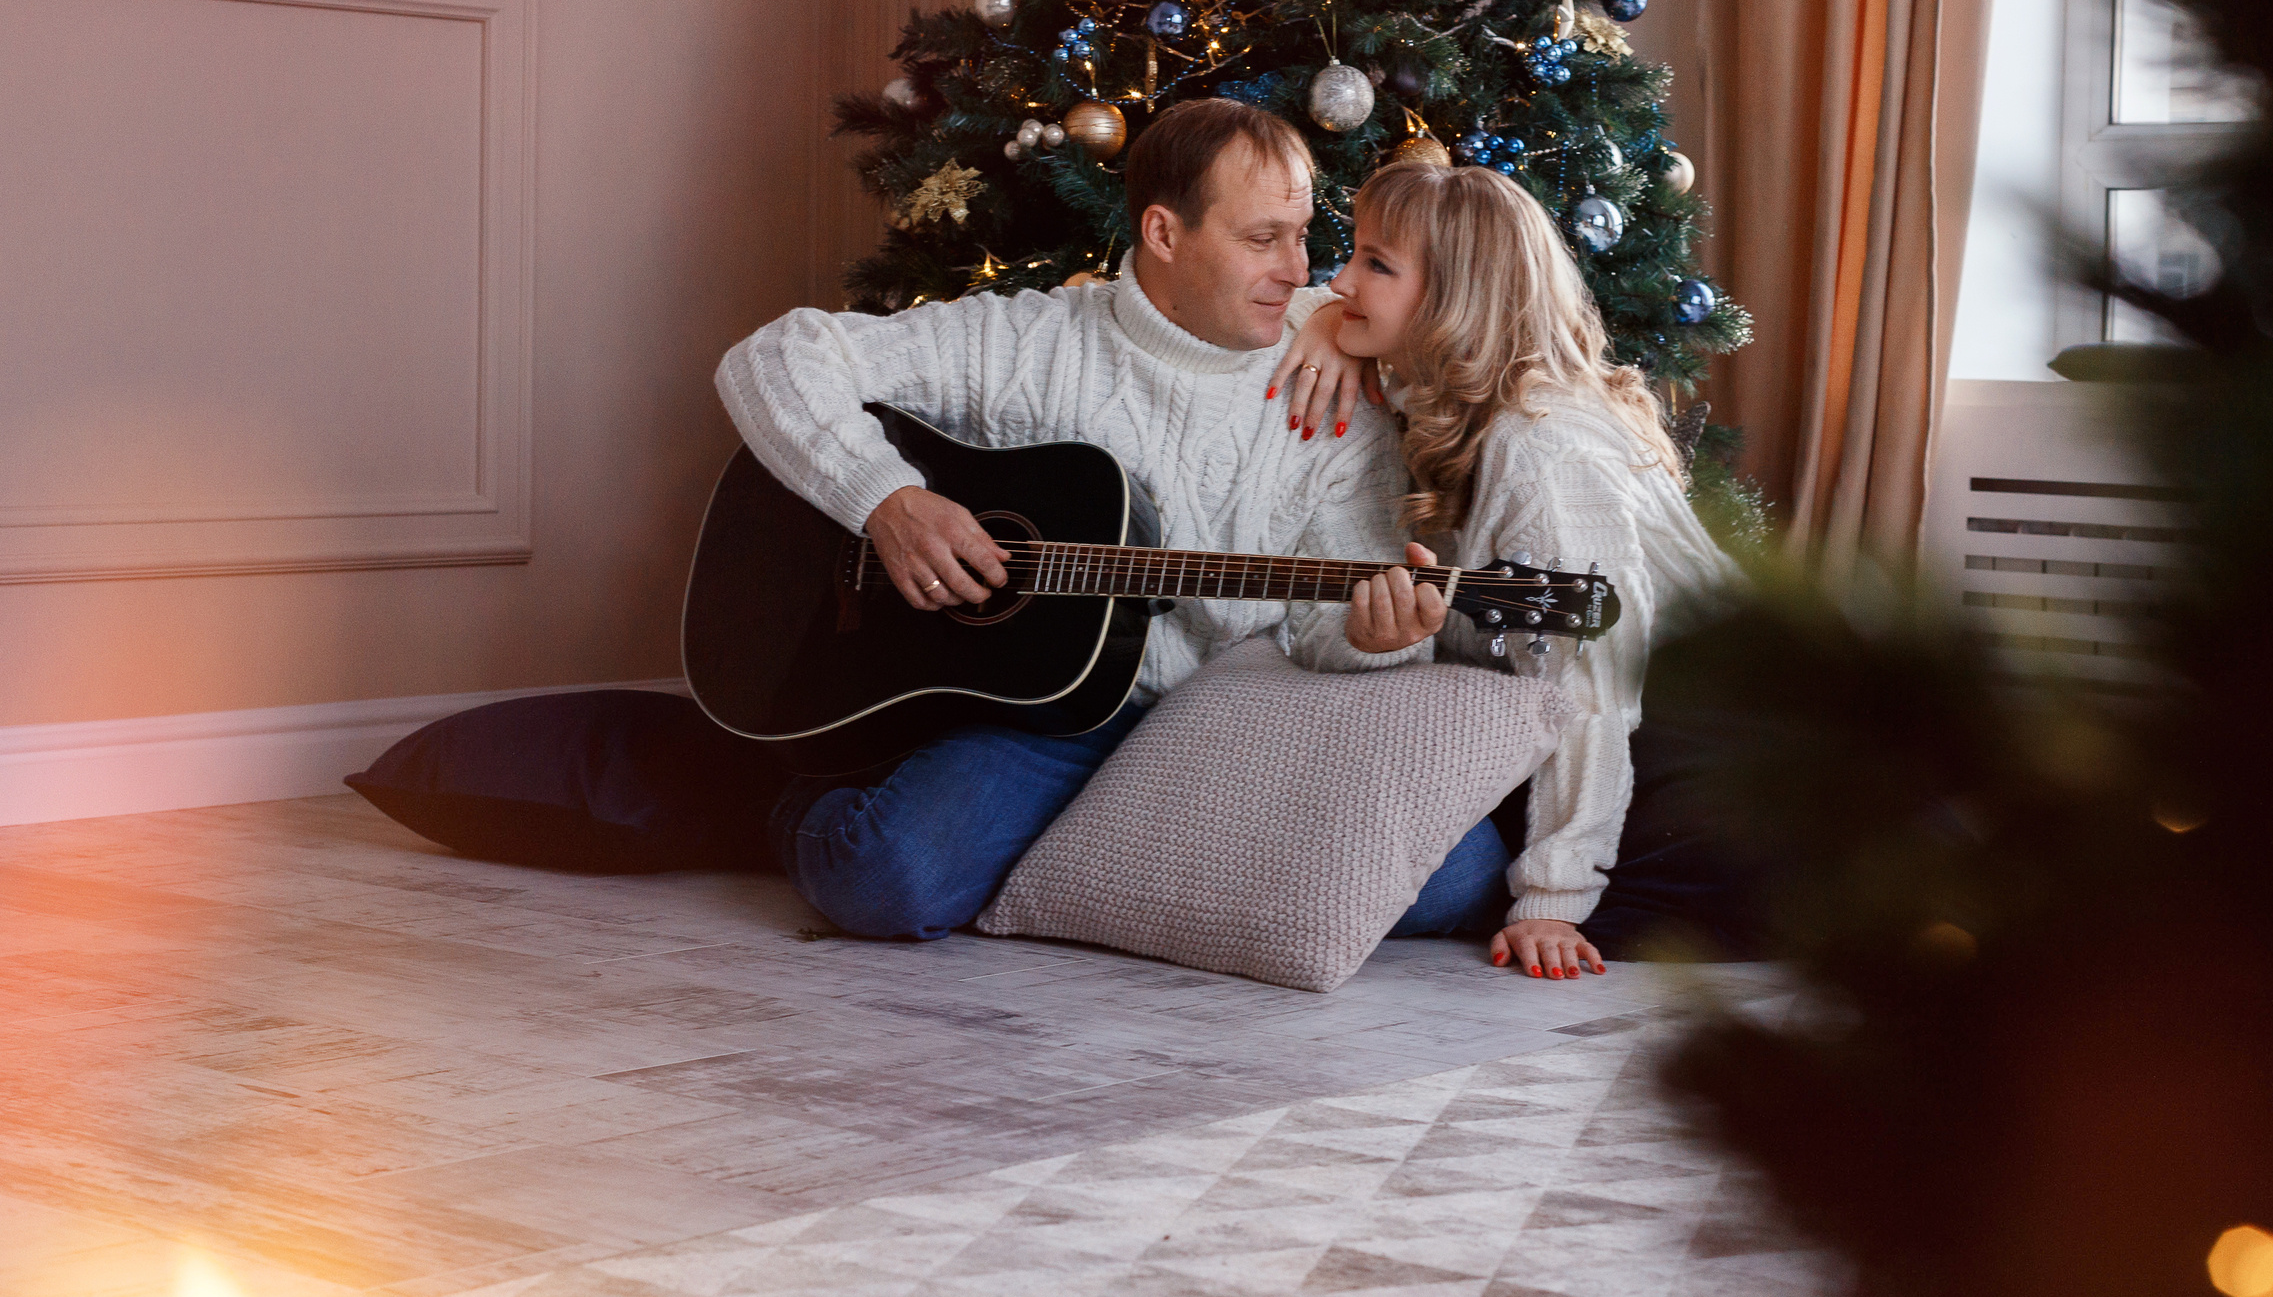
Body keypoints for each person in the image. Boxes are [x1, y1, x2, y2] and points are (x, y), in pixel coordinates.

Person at [710, 99, 1461, 940]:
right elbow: (774, 356)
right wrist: (886, 498)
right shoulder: (1033, 341)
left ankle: (1037, 856)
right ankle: (789, 781)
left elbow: (1327, 632)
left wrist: (1374, 635)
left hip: (1216, 724)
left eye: (1301, 234)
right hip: (1046, 721)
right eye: (1262, 240)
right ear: (1165, 234)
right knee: (885, 877)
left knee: (1452, 882)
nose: (1300, 271)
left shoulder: (1334, 384)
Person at [1273, 162, 1741, 981]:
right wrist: (1319, 319)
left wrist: (1553, 900)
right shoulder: (1442, 385)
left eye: (1376, 265)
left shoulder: (1542, 453)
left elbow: (1590, 694)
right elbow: (1303, 302)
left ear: (1459, 300)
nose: (1341, 277)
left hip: (1695, 737)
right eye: (1352, 254)